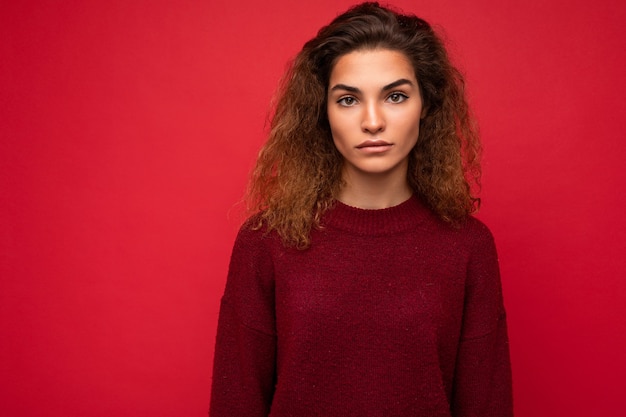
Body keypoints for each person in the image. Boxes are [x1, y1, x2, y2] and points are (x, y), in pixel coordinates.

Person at [210, 2, 513, 416]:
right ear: (323, 112)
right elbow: (236, 402)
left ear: (425, 105)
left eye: (395, 96)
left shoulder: (467, 247)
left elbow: (487, 405)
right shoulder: (266, 242)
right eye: (349, 100)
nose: (373, 121)